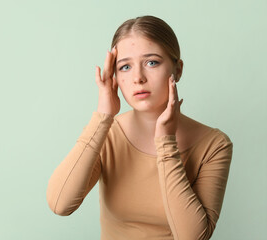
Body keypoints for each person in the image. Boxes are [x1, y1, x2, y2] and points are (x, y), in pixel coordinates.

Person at [46, 15, 233, 240]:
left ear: (178, 69)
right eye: (125, 67)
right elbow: (60, 204)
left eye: (152, 62)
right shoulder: (108, 133)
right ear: (115, 77)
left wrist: (166, 142)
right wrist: (103, 116)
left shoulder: (214, 144)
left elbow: (193, 237)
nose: (138, 78)